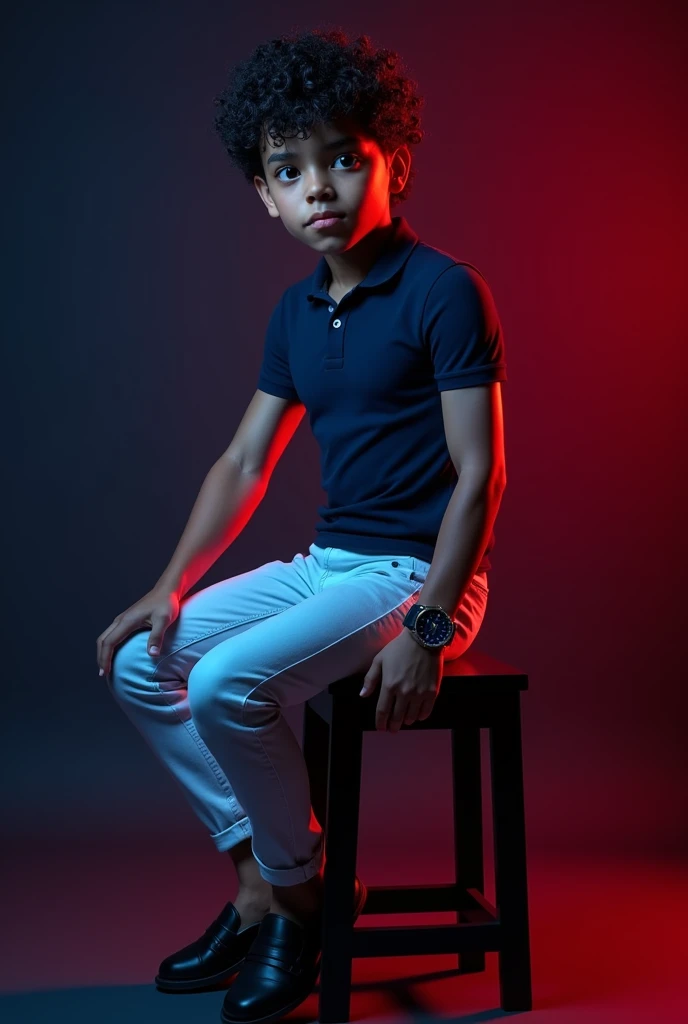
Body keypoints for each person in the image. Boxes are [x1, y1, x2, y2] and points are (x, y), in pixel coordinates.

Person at [96, 25, 507, 1024]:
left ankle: (296, 899)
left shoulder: (443, 292)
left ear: (391, 164)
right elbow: (243, 460)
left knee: (229, 683)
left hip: (414, 576)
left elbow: (482, 473)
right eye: (290, 169)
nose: (317, 186)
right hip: (329, 566)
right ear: (266, 194)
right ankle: (274, 883)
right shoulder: (294, 312)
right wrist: (170, 584)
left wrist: (430, 624)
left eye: (341, 159)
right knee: (144, 662)